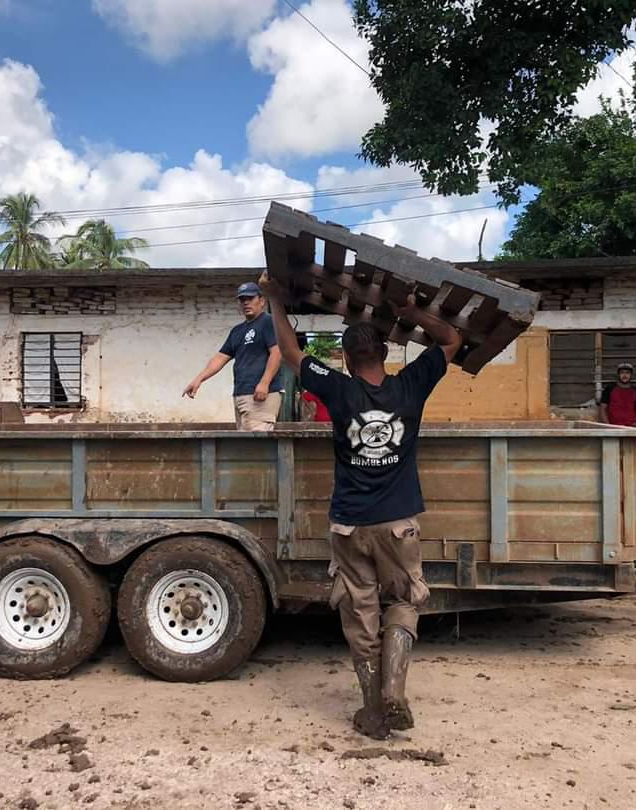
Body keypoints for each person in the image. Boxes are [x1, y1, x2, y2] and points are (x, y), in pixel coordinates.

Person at [261, 273, 462, 740]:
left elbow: (291, 354)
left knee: (359, 612)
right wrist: (413, 314)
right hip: (398, 525)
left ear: (347, 360)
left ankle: (374, 706)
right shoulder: (413, 383)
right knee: (405, 602)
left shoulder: (339, 388)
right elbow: (452, 339)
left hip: (349, 527)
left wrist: (274, 295)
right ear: (387, 354)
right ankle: (394, 692)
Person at [182, 281, 283, 430]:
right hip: (241, 394)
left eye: (250, 298)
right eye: (242, 300)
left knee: (255, 447)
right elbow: (220, 358)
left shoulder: (268, 322)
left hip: (261, 395)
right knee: (244, 446)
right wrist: (199, 379)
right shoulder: (237, 331)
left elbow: (277, 352)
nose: (246, 303)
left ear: (261, 301)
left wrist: (265, 382)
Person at [599, 362, 636, 426]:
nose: (625, 375)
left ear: (631, 375)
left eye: (627, 373)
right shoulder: (609, 388)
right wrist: (608, 425)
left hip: (632, 427)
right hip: (614, 427)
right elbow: (603, 408)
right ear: (618, 374)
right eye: (622, 372)